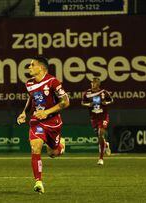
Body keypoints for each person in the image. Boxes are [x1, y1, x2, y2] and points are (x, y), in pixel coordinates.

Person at [17, 56, 69, 194]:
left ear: (41, 67)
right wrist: (24, 112)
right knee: (35, 147)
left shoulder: (53, 82)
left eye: (32, 65)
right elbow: (31, 98)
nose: (29, 67)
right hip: (37, 121)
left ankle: (61, 146)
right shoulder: (29, 84)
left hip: (53, 123)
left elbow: (65, 102)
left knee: (53, 153)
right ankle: (38, 182)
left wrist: (47, 112)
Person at [81, 77, 113, 165]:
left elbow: (111, 100)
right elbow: (83, 102)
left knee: (100, 133)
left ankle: (101, 159)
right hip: (94, 117)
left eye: (94, 83)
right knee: (99, 137)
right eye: (92, 82)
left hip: (103, 116)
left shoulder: (103, 92)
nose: (92, 84)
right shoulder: (87, 93)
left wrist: (105, 103)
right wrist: (89, 104)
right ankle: (106, 145)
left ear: (98, 84)